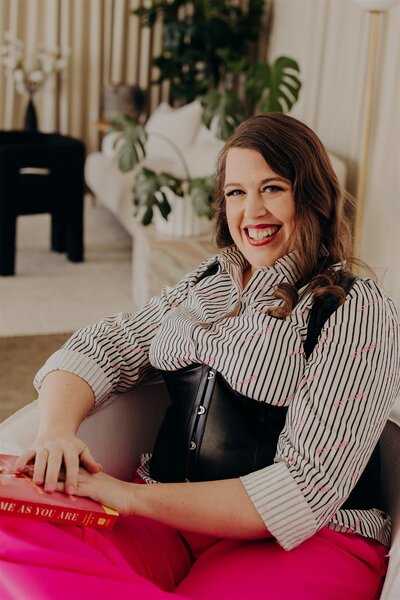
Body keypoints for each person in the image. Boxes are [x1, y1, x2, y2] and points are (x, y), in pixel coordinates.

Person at [1, 113, 399, 600]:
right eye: (235, 192)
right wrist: (57, 433)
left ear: (311, 195)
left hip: (302, 540)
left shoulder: (355, 307)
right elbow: (100, 346)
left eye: (272, 188)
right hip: (168, 523)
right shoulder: (208, 281)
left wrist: (129, 497)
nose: (251, 211)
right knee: (9, 525)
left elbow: (302, 492)